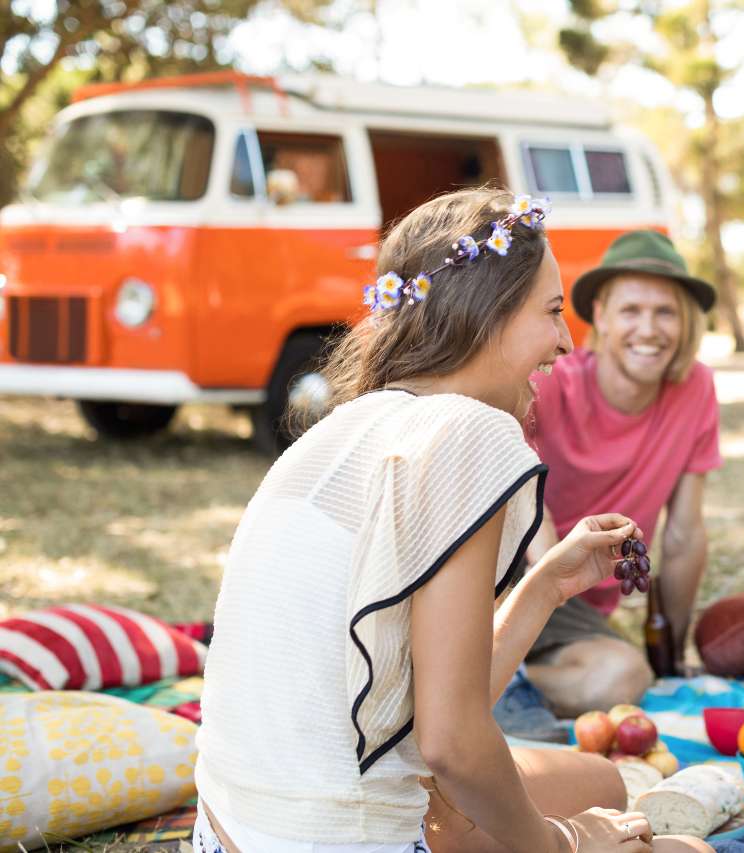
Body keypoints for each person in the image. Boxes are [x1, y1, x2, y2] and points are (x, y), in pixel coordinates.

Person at [194, 188, 712, 853]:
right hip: (344, 835)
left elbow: (428, 707)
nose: (563, 340)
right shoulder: (472, 431)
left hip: (231, 830)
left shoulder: (353, 425)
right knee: (678, 848)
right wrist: (564, 842)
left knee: (602, 782)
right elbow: (451, 744)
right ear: (488, 315)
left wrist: (546, 583)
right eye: (553, 312)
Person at [519, 230, 721, 717]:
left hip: (573, 613)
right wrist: (546, 586)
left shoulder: (695, 387)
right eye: (631, 311)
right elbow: (524, 506)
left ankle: (495, 687)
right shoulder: (550, 382)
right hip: (511, 576)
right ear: (601, 318)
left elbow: (684, 534)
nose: (648, 329)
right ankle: (471, 689)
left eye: (665, 312)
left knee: (625, 675)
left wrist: (671, 654)